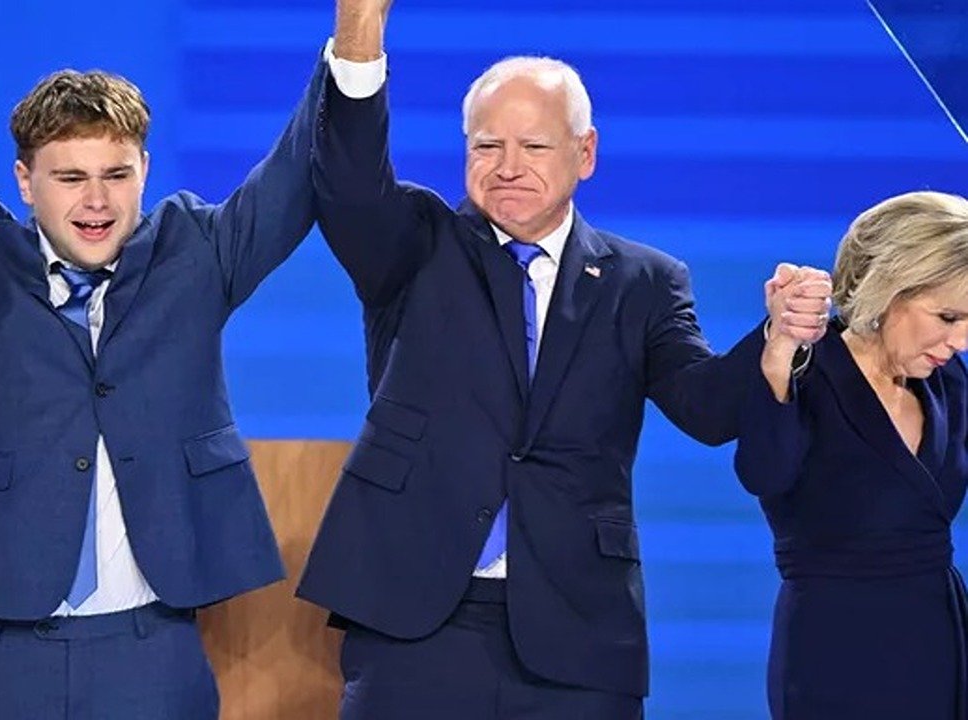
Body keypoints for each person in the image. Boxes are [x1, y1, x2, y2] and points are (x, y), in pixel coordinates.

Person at [294, 0, 833, 717]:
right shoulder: (414, 245)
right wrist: (359, 28)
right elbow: (350, 179)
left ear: (586, 153)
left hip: (577, 629)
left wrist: (775, 340)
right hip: (415, 618)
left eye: (534, 147)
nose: (507, 168)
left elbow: (705, 407)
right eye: (487, 147)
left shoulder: (645, 281)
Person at [0, 3, 327, 718]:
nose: (96, 200)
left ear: (145, 168)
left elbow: (296, 176)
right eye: (70, 177)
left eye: (116, 173)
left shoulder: (198, 249)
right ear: (25, 181)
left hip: (151, 645)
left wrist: (354, 43)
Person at [735, 190, 968, 720]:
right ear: (890, 290)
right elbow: (764, 472)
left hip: (939, 638)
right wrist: (776, 362)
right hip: (834, 647)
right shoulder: (805, 368)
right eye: (948, 316)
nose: (961, 340)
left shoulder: (948, 382)